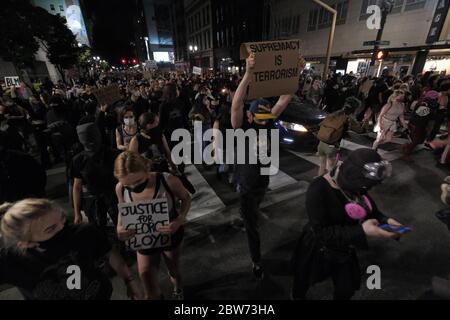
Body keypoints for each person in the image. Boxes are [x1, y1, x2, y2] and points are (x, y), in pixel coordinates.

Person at [291, 149, 405, 300]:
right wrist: (361, 231)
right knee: (305, 279)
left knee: (346, 289)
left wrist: (385, 220)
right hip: (318, 248)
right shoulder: (318, 188)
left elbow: (369, 208)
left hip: (345, 247)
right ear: (353, 178)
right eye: (365, 187)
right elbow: (322, 233)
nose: (366, 190)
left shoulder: (356, 186)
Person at [231, 52, 305, 279]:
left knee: (252, 219)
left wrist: (297, 72)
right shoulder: (242, 129)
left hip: (258, 184)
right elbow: (236, 105)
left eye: (266, 114)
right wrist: (248, 73)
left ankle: (254, 253)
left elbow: (284, 99)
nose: (264, 117)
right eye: (258, 114)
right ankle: (255, 257)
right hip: (247, 184)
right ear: (250, 117)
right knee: (251, 222)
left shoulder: (268, 124)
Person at [0, 198, 142, 300]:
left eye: (63, 219)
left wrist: (129, 280)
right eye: (51, 229)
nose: (64, 229)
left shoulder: (84, 233)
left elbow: (108, 252)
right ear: (25, 243)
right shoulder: (10, 261)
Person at [114, 152, 191, 300]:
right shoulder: (120, 188)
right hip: (143, 238)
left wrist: (180, 220)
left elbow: (186, 198)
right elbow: (122, 209)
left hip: (170, 234)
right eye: (127, 184)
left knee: (174, 270)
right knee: (147, 281)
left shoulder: (168, 180)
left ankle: (178, 287)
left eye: (137, 181)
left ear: (147, 169)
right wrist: (119, 227)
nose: (133, 187)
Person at [71, 122, 120, 228]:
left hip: (114, 198)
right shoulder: (78, 160)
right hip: (93, 201)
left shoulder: (113, 154)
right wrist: (77, 212)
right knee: (97, 229)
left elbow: (123, 179)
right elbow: (77, 187)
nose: (91, 143)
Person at [316, 99, 363, 176]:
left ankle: (319, 179)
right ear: (355, 109)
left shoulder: (334, 114)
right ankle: (330, 183)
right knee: (332, 167)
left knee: (322, 165)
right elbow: (359, 130)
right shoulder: (349, 118)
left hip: (321, 144)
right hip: (332, 147)